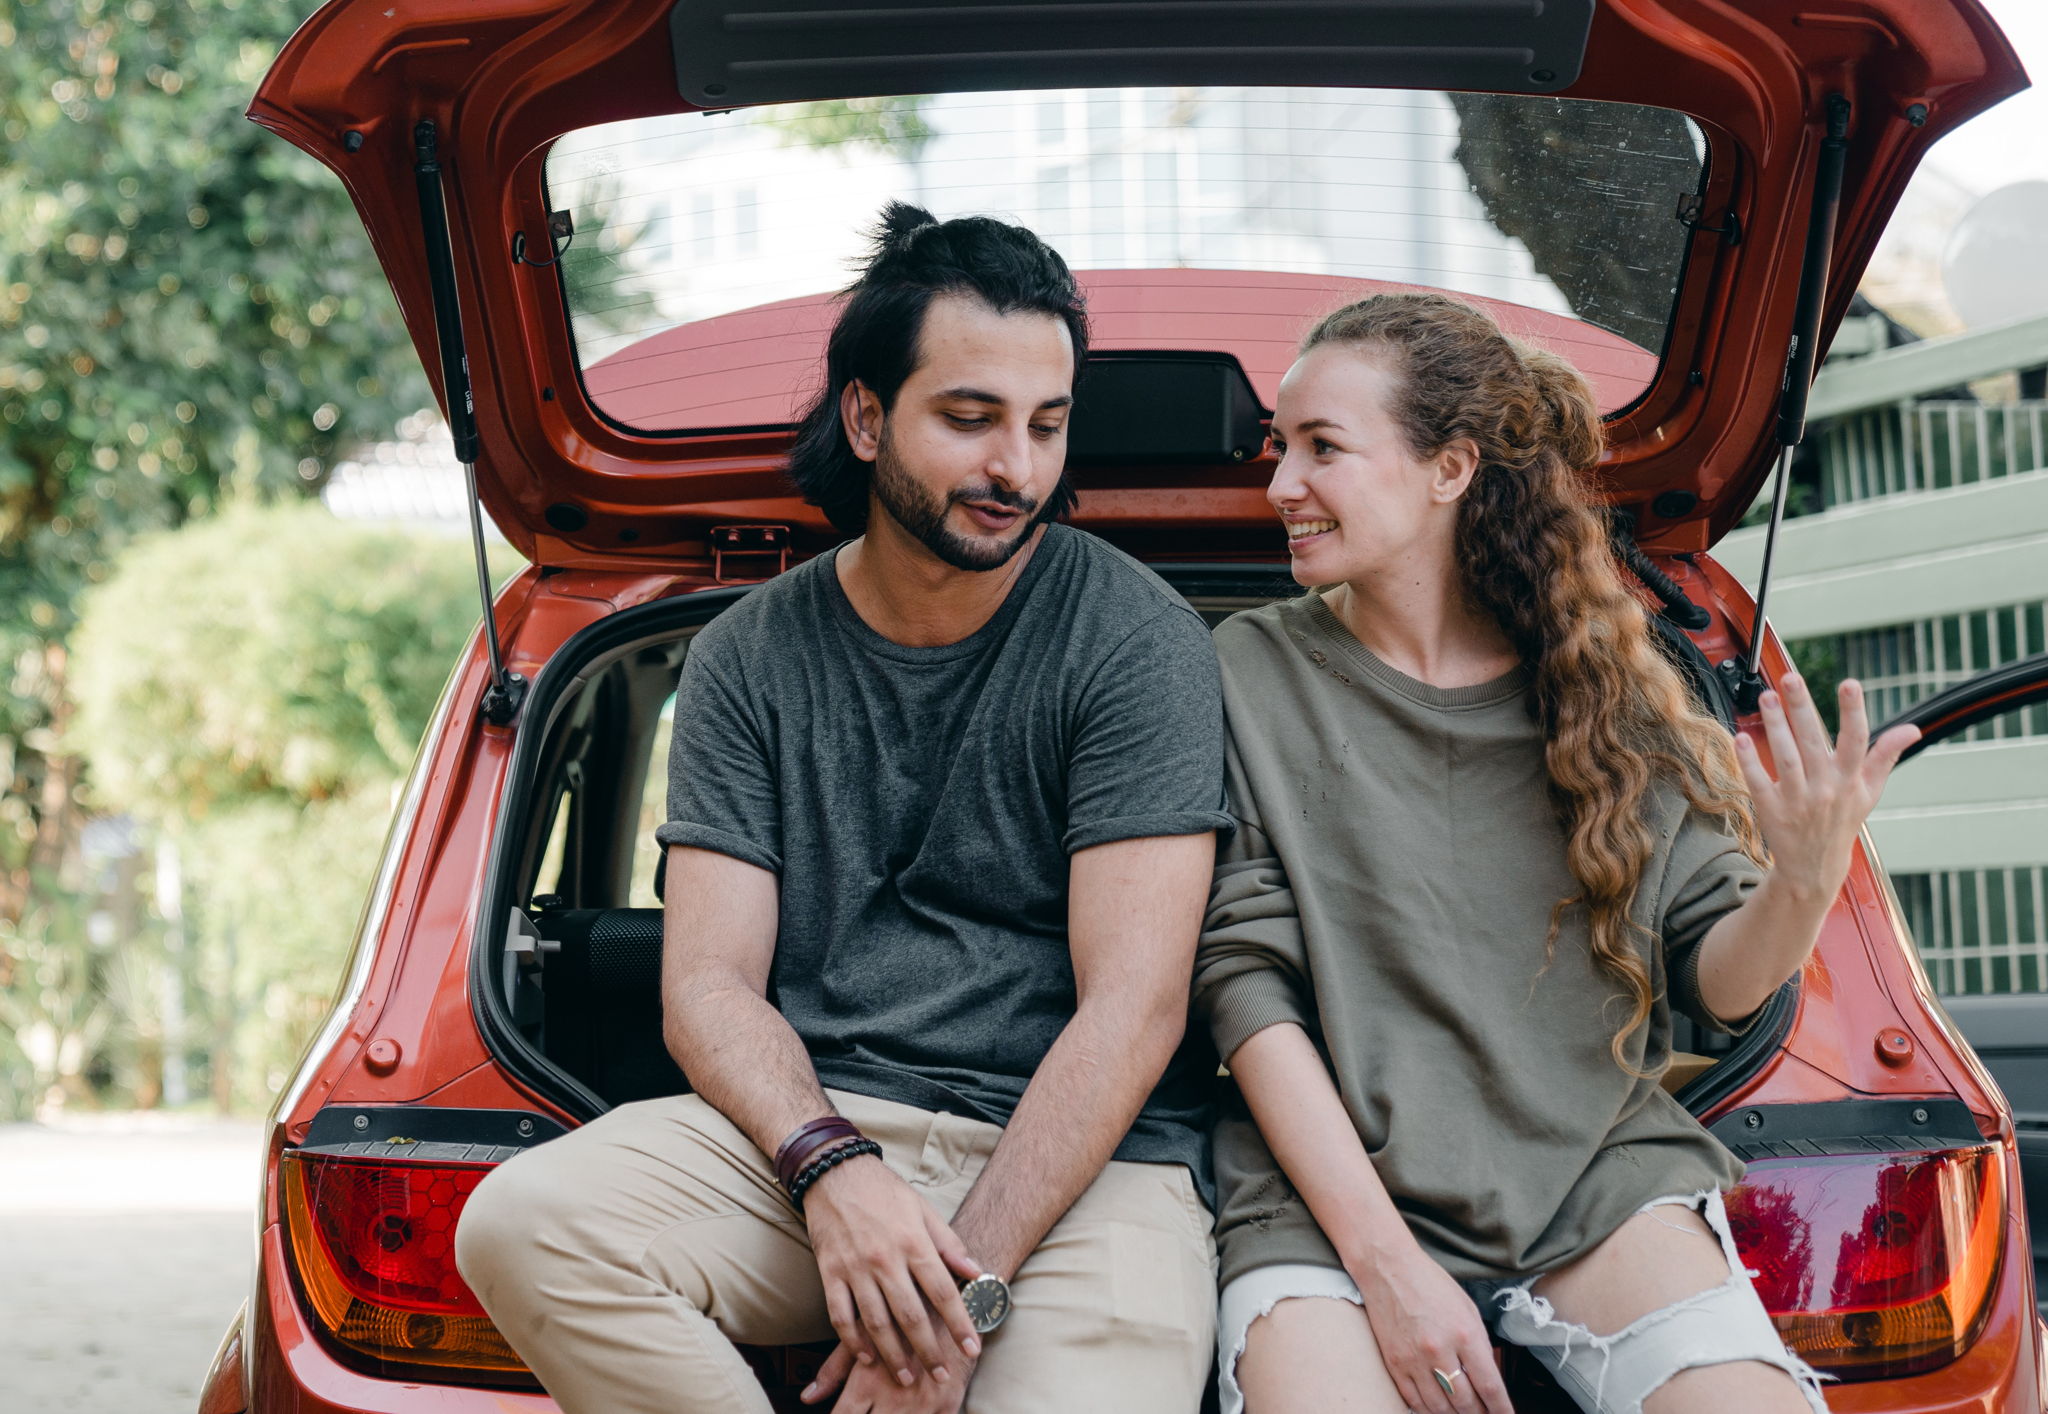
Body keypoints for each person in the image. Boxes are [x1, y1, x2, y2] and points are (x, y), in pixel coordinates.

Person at [455, 202, 1229, 1414]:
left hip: (1090, 1168)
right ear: (866, 417)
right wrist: (832, 1169)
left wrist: (949, 1303)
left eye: (1045, 424)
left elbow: (1133, 1009)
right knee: (522, 1222)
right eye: (969, 419)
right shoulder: (746, 655)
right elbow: (707, 984)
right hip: (815, 1131)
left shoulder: (1136, 644)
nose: (1014, 468)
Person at [1193, 291, 1917, 1414]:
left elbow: (1718, 980)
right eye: (1279, 448)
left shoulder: (1602, 682)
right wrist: (1387, 1267)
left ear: (1448, 470)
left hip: (1587, 1173)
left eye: (1320, 448)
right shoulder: (1243, 671)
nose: (1279, 483)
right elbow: (1244, 989)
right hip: (1318, 1196)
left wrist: (1800, 882)